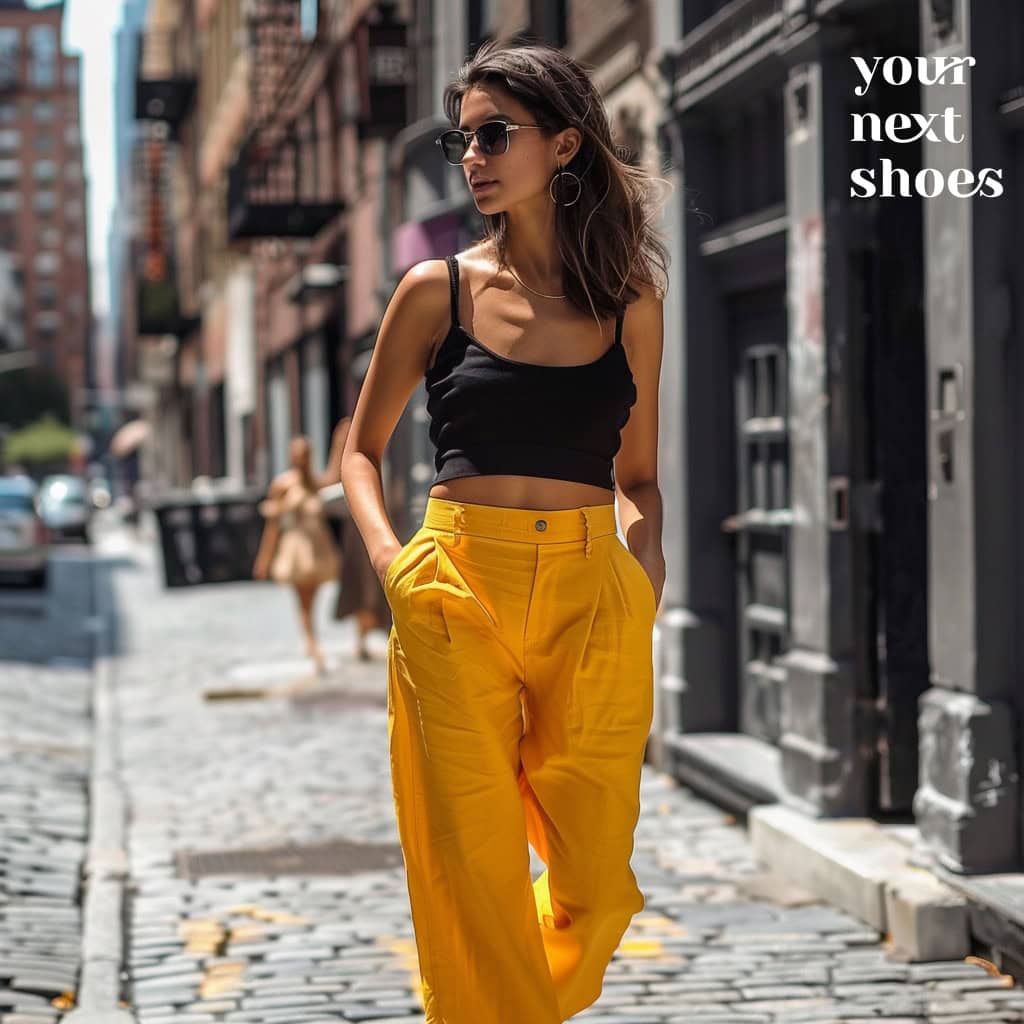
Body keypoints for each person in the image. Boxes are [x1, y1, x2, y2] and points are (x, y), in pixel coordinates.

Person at [340, 38, 668, 1024]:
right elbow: (358, 453)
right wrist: (398, 567)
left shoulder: (630, 301)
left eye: (495, 134)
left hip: (589, 592)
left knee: (597, 881)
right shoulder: (434, 289)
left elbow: (640, 474)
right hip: (455, 583)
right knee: (470, 869)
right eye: (462, 139)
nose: (472, 157)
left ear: (565, 145)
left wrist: (642, 578)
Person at [253, 435, 340, 674]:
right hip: (295, 549)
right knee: (303, 601)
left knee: (313, 599)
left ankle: (312, 639)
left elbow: (335, 477)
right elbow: (273, 526)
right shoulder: (282, 484)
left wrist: (339, 445)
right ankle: (312, 644)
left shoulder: (315, 482)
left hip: (318, 547)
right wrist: (264, 558)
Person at [319, 415, 393, 660]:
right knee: (361, 582)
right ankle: (363, 636)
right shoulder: (346, 457)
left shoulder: (377, 446)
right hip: (358, 528)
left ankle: (372, 633)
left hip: (375, 522)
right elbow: (327, 484)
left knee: (371, 582)